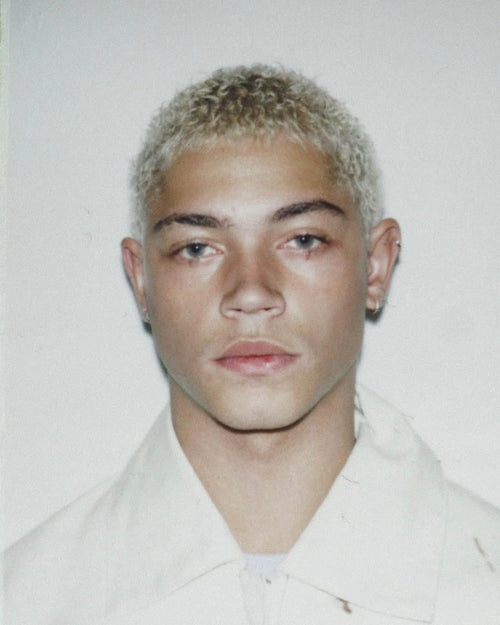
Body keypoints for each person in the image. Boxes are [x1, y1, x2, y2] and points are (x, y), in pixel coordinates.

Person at [3, 64, 499, 625]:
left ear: (376, 265)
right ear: (141, 281)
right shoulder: (27, 600)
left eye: (303, 240)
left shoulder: (486, 589)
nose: (251, 293)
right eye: (197, 248)